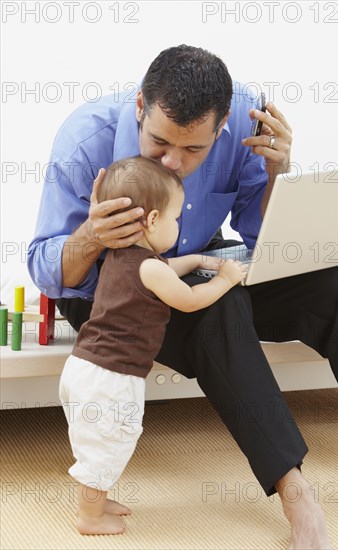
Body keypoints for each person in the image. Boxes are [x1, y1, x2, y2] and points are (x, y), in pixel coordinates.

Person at [28, 45, 338, 549]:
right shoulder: (86, 139)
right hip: (109, 292)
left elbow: (258, 237)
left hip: (200, 264)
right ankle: (296, 493)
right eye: (159, 144)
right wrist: (93, 236)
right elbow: (45, 270)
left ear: (222, 123)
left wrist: (278, 175)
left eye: (194, 151)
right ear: (140, 105)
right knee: (221, 307)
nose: (174, 164)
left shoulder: (248, 117)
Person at [59, 155, 247, 535]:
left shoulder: (124, 256)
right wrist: (225, 279)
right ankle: (89, 517)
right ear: (154, 221)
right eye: (176, 218)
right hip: (111, 376)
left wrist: (194, 258)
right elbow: (188, 300)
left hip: (87, 367)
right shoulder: (150, 268)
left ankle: (97, 497)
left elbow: (161, 269)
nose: (179, 225)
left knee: (97, 439)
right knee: (110, 439)